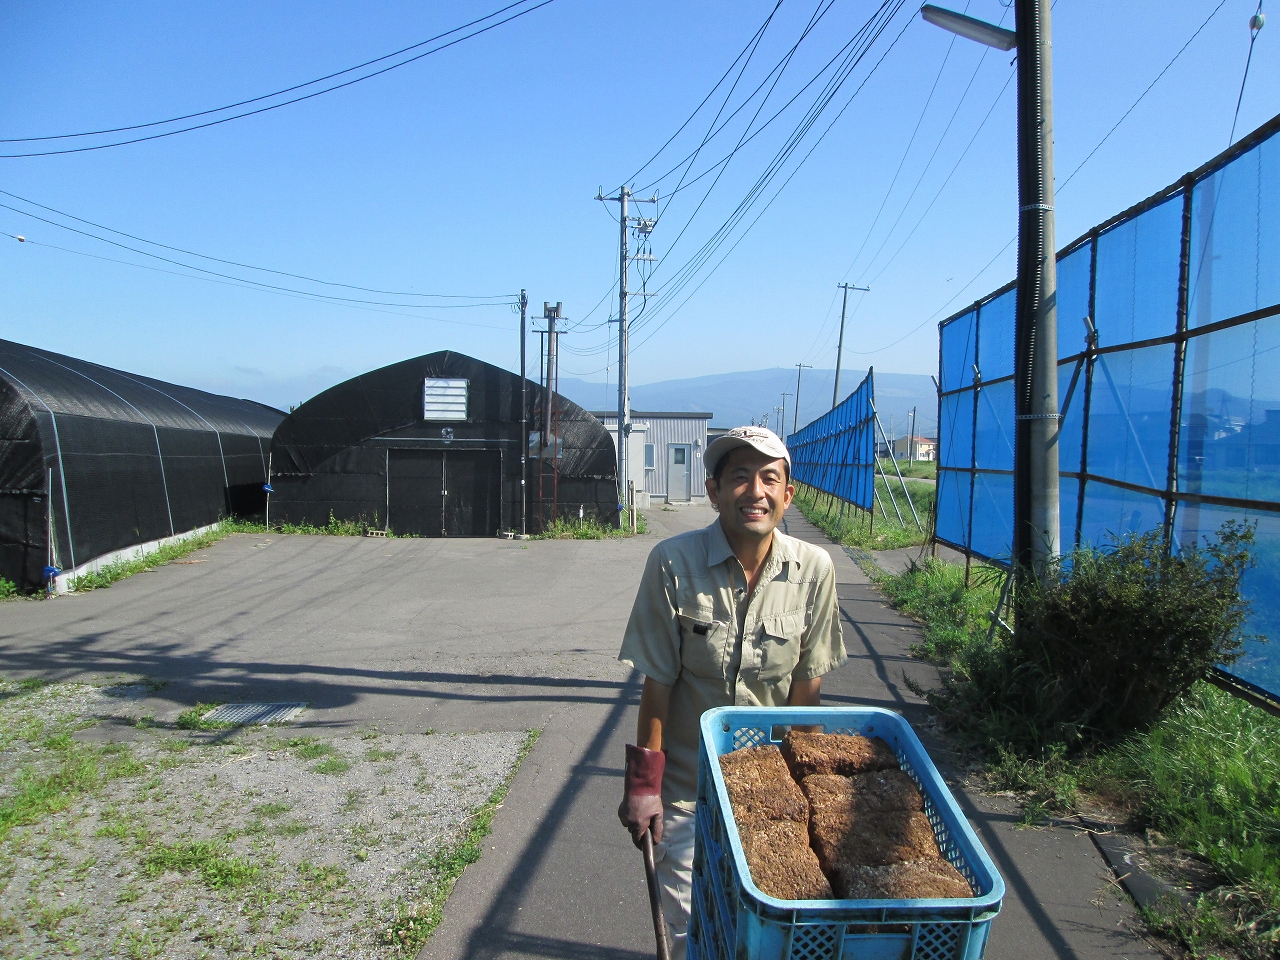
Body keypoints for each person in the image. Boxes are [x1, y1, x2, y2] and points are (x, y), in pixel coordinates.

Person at [616, 425, 846, 959]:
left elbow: (806, 693)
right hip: (686, 789)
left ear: (788, 495)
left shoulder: (814, 570)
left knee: (765, 936)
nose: (755, 491)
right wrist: (642, 786)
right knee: (689, 932)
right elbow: (657, 684)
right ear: (714, 490)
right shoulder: (672, 562)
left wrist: (809, 795)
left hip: (767, 793)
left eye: (769, 479)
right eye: (739, 477)